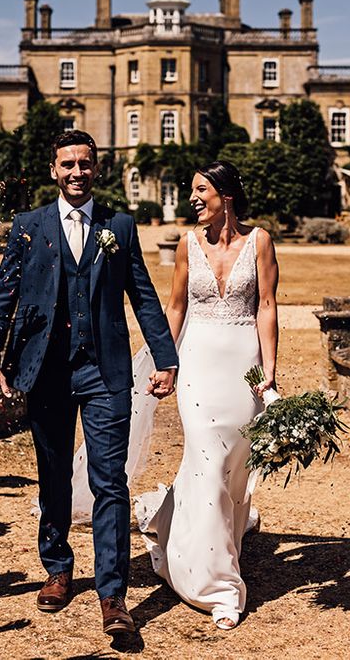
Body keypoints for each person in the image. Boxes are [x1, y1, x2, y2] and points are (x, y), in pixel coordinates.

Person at [0, 130, 178, 636]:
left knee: (110, 482)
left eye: (84, 164)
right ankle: (59, 568)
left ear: (97, 168)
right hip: (44, 371)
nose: (76, 172)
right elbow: (2, 299)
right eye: (66, 163)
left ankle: (113, 595)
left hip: (104, 371)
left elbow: (145, 297)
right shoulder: (28, 227)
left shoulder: (121, 227)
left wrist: (165, 357)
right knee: (53, 476)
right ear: (53, 169)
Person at [133, 160, 279, 630]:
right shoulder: (186, 244)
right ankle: (218, 587)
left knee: (232, 469)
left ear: (226, 194)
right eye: (191, 191)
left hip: (243, 368)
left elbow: (268, 305)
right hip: (196, 364)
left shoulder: (260, 241)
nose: (193, 198)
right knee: (207, 459)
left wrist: (270, 371)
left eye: (201, 190)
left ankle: (209, 539)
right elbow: (175, 307)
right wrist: (165, 361)